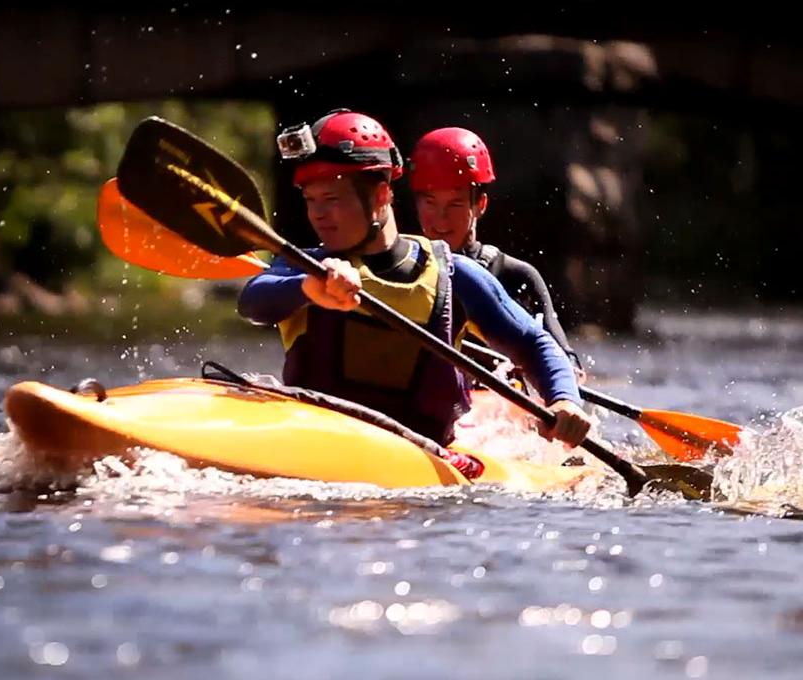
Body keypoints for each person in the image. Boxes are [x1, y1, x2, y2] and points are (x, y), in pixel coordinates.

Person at [237, 108, 591, 454]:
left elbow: (533, 343)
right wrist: (307, 288)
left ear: (380, 196)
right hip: (318, 439)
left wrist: (564, 400)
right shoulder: (308, 267)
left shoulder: (455, 276)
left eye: (332, 199)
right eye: (311, 200)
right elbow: (252, 302)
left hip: (425, 456)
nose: (317, 214)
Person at [408, 127, 584, 377]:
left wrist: (569, 373)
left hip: (492, 398)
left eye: (455, 204)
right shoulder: (403, 269)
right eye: (430, 203)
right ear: (416, 204)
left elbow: (560, 356)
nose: (441, 219)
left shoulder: (517, 276)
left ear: (480, 205)